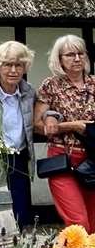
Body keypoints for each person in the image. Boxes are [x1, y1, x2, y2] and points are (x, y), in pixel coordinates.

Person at [34, 34, 95, 230]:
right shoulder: (50, 85)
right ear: (59, 59)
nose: (77, 58)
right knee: (79, 222)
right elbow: (37, 126)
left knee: (93, 224)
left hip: (93, 160)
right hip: (62, 161)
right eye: (70, 54)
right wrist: (73, 126)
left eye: (80, 53)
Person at [0, 41, 36, 230]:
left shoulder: (29, 92)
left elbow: (45, 109)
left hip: (19, 158)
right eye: (7, 64)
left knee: (20, 213)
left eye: (18, 65)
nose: (13, 70)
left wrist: (53, 116)